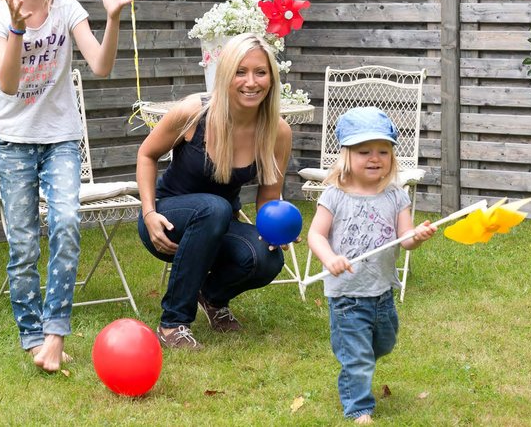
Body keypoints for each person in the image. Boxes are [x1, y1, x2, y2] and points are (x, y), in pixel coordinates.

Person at [0, 0, 141, 372]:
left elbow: (101, 65)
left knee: (68, 223)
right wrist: (16, 28)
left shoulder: (68, 9)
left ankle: (55, 334)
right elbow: (8, 84)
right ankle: (32, 335)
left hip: (62, 139)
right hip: (13, 142)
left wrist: (111, 18)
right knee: (25, 245)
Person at [137, 32, 293, 350]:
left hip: (217, 223)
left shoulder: (277, 131)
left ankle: (211, 297)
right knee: (215, 208)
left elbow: (268, 196)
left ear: (271, 79)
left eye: (260, 72)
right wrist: (149, 213)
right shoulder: (194, 113)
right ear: (226, 75)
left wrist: (275, 231)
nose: (251, 82)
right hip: (169, 219)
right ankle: (172, 324)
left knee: (267, 258)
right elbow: (146, 154)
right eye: (241, 71)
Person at [307, 107, 437, 424]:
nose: (374, 157)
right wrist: (329, 258)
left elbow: (404, 239)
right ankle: (359, 407)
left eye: (383, 150)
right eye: (364, 151)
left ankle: (357, 364)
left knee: (384, 343)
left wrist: (417, 237)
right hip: (347, 296)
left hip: (382, 292)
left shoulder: (396, 196)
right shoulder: (334, 195)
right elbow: (315, 235)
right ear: (346, 155)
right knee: (357, 357)